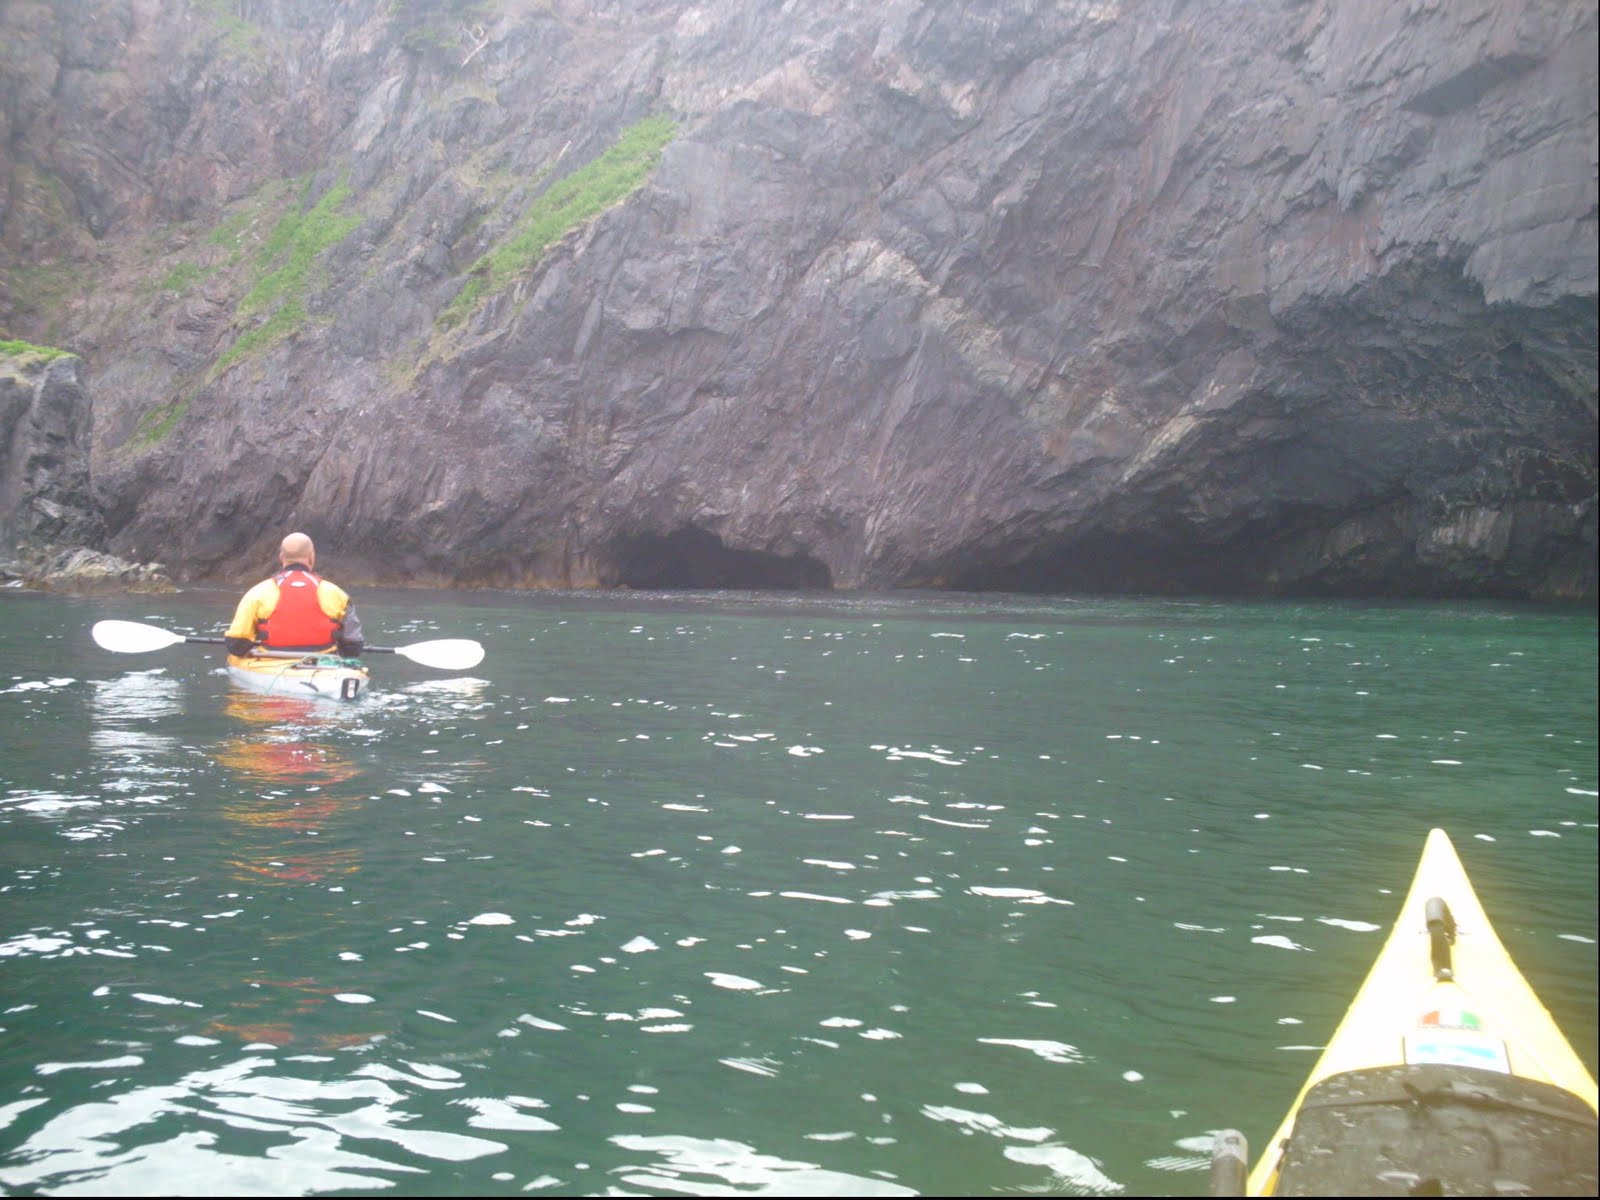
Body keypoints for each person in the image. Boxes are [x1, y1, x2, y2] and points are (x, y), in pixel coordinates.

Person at [224, 532, 365, 660]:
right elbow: (353, 647)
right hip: (323, 664)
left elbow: (237, 644)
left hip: (269, 662)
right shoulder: (336, 593)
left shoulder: (257, 592)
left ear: (281, 557)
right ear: (311, 557)